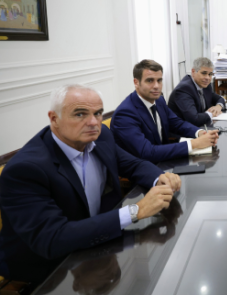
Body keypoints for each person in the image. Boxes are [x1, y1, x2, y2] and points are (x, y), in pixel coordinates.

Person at [0, 84, 180, 283]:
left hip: (96, 243)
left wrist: (159, 176)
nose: (93, 122)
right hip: (49, 267)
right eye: (80, 114)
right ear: (54, 118)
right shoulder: (25, 170)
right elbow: (52, 239)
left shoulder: (101, 135)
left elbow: (131, 164)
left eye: (98, 113)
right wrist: (136, 211)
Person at [111, 60, 218, 164]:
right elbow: (147, 152)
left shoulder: (159, 100)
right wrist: (194, 144)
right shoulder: (125, 114)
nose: (156, 86)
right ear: (136, 82)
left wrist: (200, 133)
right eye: (150, 80)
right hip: (144, 169)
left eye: (159, 80)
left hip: (164, 158)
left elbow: (176, 123)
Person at [168, 57, 225, 127]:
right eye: (204, 73)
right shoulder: (184, 89)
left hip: (202, 126)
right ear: (193, 72)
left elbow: (219, 98)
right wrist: (213, 113)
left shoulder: (205, 85)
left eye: (210, 74)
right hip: (184, 131)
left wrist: (218, 106)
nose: (207, 78)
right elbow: (194, 119)